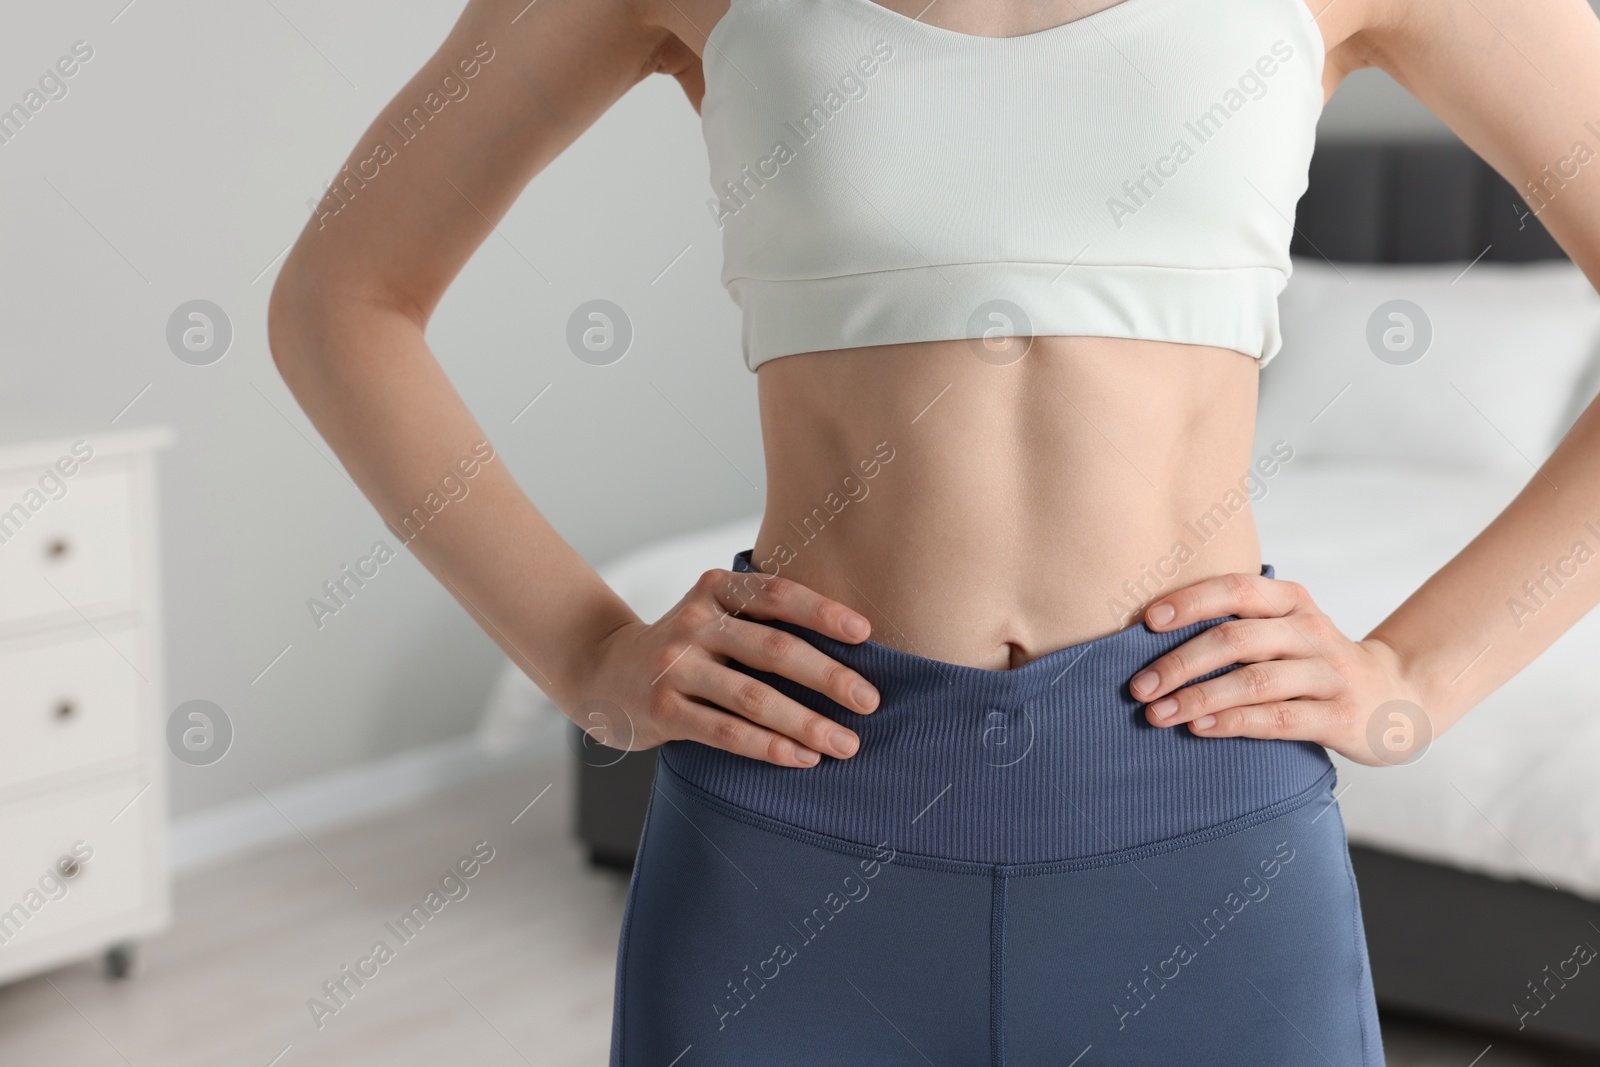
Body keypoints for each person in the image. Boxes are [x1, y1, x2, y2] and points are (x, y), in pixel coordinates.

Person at [267, 0, 1600, 1062]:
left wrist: (1419, 676)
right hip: (787, 834)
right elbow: (343, 300)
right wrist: (585, 655)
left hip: (1204, 839)